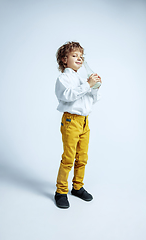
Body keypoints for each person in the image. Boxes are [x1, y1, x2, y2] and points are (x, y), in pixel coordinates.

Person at [54, 41, 102, 209]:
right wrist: (87, 85)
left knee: (82, 157)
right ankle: (60, 191)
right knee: (68, 158)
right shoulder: (63, 78)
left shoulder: (82, 79)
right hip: (70, 121)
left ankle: (77, 187)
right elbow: (68, 95)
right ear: (64, 60)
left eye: (81, 56)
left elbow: (90, 100)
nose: (79, 58)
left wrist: (94, 87)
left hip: (84, 122)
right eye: (74, 55)